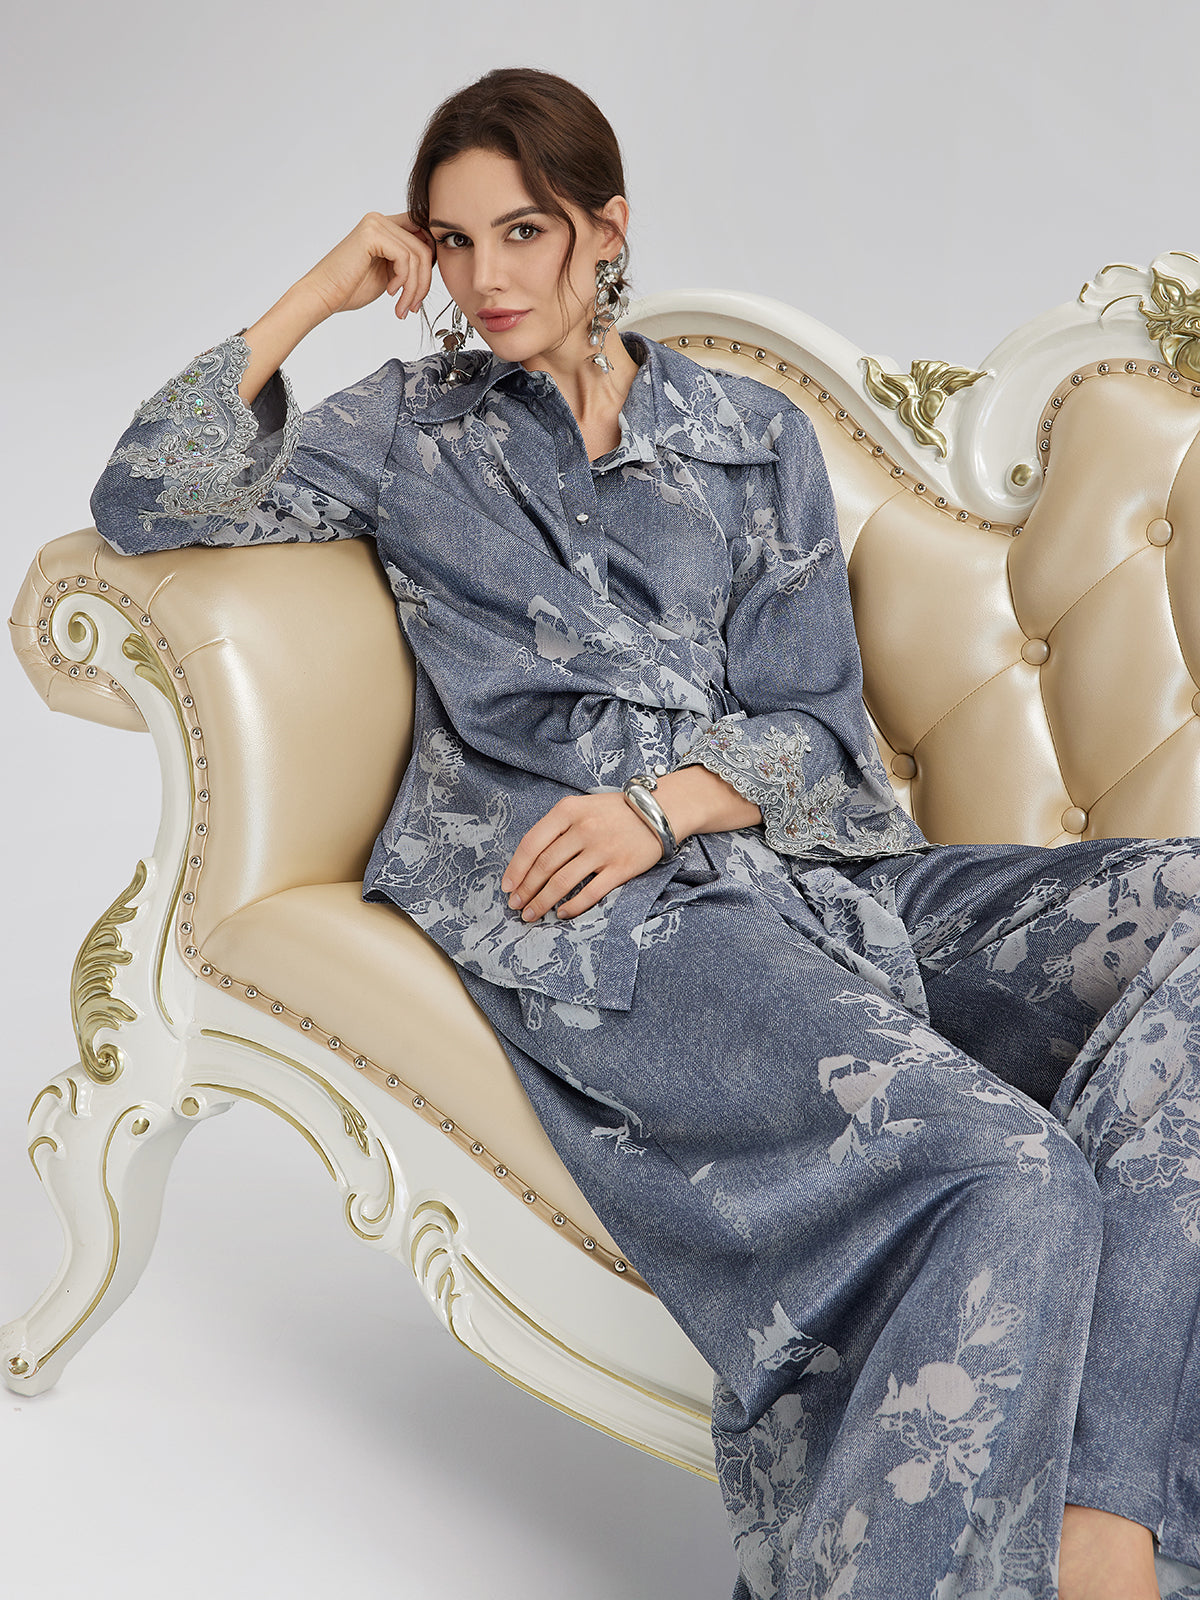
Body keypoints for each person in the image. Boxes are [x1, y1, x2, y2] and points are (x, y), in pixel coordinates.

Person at [88, 65, 1200, 1600]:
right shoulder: (406, 427)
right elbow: (146, 494)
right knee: (1007, 1170)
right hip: (605, 917)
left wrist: (666, 802)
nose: (485, 278)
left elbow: (819, 730)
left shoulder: (750, 433)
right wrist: (325, 289)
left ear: (606, 231)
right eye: (451, 239)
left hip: (805, 873)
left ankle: (1104, 1513)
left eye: (523, 231)